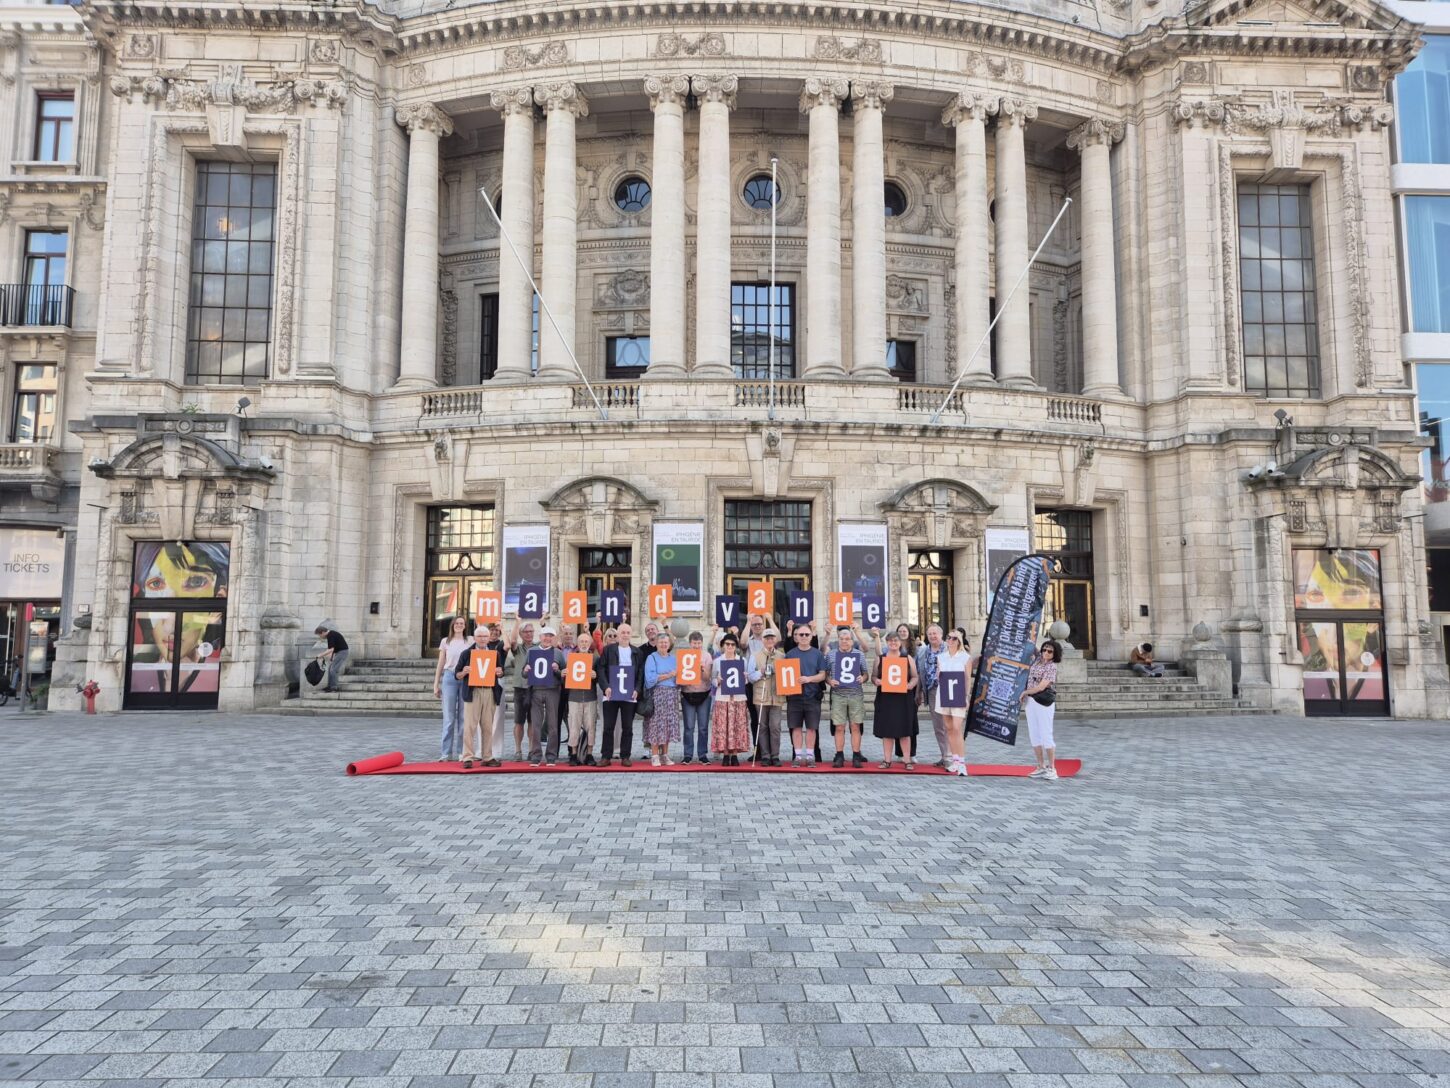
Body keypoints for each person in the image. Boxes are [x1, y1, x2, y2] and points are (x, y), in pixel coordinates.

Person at [455, 625, 505, 769]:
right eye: (480, 636)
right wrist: (464, 672)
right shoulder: (467, 654)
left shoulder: (494, 653)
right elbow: (457, 675)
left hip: (489, 691)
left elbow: (502, 672)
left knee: (488, 726)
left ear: (489, 638)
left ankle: (487, 756)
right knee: (470, 726)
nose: (483, 639)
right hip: (473, 692)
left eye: (485, 636)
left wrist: (499, 672)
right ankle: (468, 757)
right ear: (475, 638)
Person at [872, 631, 920, 769]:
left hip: (903, 699)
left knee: (904, 730)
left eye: (896, 640)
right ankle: (887, 760)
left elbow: (915, 677)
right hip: (886, 699)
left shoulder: (907, 658)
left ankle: (907, 760)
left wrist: (909, 685)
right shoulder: (880, 658)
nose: (893, 643)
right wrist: (877, 681)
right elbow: (874, 676)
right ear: (887, 642)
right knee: (887, 731)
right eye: (890, 640)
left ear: (900, 642)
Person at [823, 627, 869, 768]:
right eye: (841, 639)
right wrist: (830, 681)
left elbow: (866, 673)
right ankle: (839, 754)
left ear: (851, 640)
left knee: (855, 726)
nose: (844, 641)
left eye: (847, 639)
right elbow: (825, 673)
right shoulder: (831, 655)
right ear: (838, 640)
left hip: (855, 694)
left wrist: (863, 678)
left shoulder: (859, 655)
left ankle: (856, 754)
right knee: (839, 727)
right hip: (838, 695)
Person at [598, 621, 640, 767]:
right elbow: (601, 669)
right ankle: (606, 756)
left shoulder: (636, 652)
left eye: (628, 632)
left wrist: (637, 689)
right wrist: (605, 687)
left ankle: (625, 756)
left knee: (627, 726)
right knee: (608, 726)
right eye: (622, 632)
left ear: (631, 634)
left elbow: (640, 673)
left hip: (629, 694)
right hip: (611, 693)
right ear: (618, 635)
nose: (625, 635)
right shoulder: (609, 650)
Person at [784, 624, 827, 767]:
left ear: (811, 636)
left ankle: (809, 756)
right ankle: (797, 755)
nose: (803, 637)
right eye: (800, 634)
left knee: (811, 728)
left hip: (812, 696)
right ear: (796, 637)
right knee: (795, 727)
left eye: (806, 635)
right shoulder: (790, 654)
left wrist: (809, 679)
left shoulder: (817, 654)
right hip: (794, 696)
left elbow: (822, 675)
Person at [525, 626, 568, 766]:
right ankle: (536, 754)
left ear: (554, 638)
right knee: (536, 724)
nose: (547, 638)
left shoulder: (558, 653)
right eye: (545, 636)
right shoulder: (531, 651)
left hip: (553, 690)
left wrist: (558, 671)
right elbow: (524, 673)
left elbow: (565, 675)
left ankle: (551, 755)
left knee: (553, 724)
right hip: (536, 690)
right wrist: (526, 670)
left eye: (550, 636)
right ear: (540, 637)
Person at [934, 630, 973, 777]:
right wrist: (938, 675)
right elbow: (940, 675)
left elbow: (967, 679)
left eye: (954, 638)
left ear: (959, 641)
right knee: (949, 728)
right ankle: (955, 761)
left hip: (958, 695)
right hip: (944, 694)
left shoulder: (965, 658)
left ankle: (962, 763)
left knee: (957, 728)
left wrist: (966, 696)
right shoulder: (941, 657)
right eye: (948, 637)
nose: (950, 640)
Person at [709, 635, 752, 764]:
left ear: (736, 647)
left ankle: (734, 754)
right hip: (723, 697)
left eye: (733, 645)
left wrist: (745, 677)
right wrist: (718, 681)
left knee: (737, 726)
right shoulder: (718, 661)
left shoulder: (742, 661)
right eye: (727, 644)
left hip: (738, 698)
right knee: (724, 726)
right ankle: (726, 754)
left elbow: (745, 681)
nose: (730, 647)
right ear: (723, 645)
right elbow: (712, 679)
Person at [1022, 640, 1061, 780]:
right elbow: (1032, 646)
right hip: (1031, 702)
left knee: (1046, 733)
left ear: (1055, 654)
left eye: (1050, 651)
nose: (1046, 652)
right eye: (1044, 649)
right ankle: (1040, 766)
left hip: (1043, 701)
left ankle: (1052, 768)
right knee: (1034, 733)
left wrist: (1024, 692)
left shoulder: (1052, 667)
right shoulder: (1038, 660)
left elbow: (1041, 687)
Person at [433, 616, 470, 762]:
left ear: (465, 626)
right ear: (452, 625)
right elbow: (441, 663)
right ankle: (446, 753)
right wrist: (436, 683)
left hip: (466, 677)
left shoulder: (469, 641)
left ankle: (462, 752)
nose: (459, 625)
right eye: (457, 623)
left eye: (462, 623)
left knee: (463, 717)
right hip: (449, 678)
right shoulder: (445, 641)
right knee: (449, 718)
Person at [643, 631, 681, 766]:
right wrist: (668, 675)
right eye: (661, 642)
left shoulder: (674, 659)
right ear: (657, 644)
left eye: (666, 642)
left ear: (669, 644)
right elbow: (650, 679)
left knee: (667, 724)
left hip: (671, 694)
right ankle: (654, 755)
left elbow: (679, 678)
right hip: (657, 694)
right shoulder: (651, 657)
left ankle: (664, 754)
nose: (663, 644)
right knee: (655, 724)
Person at [747, 628, 785, 766]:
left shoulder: (782, 656)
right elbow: (750, 677)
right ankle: (765, 755)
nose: (769, 640)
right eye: (767, 638)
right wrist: (760, 673)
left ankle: (775, 755)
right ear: (762, 640)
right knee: (762, 726)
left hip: (776, 695)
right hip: (761, 694)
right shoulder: (755, 656)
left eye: (771, 638)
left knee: (775, 726)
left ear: (775, 640)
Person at [914, 624, 949, 768]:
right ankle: (944, 755)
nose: (933, 636)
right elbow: (919, 672)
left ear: (941, 634)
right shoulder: (922, 651)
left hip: (948, 689)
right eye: (930, 634)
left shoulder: (949, 648)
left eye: (935, 633)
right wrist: (918, 692)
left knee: (950, 724)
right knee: (938, 725)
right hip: (932, 690)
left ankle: (952, 756)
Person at [502, 619, 536, 761]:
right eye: (525, 632)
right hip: (520, 688)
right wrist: (517, 622)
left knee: (533, 721)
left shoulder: (538, 647)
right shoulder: (518, 649)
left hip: (535, 688)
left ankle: (531, 750)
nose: (528, 634)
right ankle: (518, 750)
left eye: (530, 631)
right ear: (521, 634)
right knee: (519, 721)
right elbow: (513, 641)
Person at [680, 630, 714, 764]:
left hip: (704, 694)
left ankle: (702, 754)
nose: (697, 646)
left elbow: (707, 678)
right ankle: (687, 754)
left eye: (699, 643)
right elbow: (680, 679)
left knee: (703, 727)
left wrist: (701, 668)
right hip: (687, 693)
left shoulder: (706, 656)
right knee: (688, 727)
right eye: (694, 643)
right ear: (690, 644)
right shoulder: (683, 656)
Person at [566, 631, 600, 766]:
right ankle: (573, 754)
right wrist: (564, 673)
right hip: (574, 696)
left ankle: (589, 754)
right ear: (577, 643)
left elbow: (601, 677)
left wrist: (595, 675)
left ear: (590, 643)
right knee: (573, 725)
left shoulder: (595, 658)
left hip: (590, 696)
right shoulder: (571, 658)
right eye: (581, 641)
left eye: (586, 641)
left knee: (590, 725)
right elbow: (564, 677)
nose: (584, 644)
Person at [315, 623, 349, 693]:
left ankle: (333, 687)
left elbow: (331, 649)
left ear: (323, 632)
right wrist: (331, 657)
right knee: (331, 668)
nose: (320, 637)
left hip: (342, 652)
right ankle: (330, 686)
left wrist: (320, 655)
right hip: (340, 652)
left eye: (320, 635)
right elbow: (332, 649)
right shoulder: (331, 635)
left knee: (333, 670)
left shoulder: (330, 635)